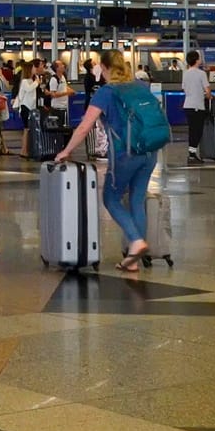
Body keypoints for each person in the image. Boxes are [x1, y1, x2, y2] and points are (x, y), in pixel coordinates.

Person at [55, 50, 160, 272]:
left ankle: (136, 240)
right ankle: (133, 259)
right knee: (137, 199)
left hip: (125, 154)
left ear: (103, 69)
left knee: (111, 198)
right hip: (150, 152)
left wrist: (66, 150)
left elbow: (85, 126)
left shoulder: (106, 92)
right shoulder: (141, 86)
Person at [181, 51, 210, 165]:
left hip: (187, 105)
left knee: (192, 130)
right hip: (197, 106)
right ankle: (192, 155)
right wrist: (208, 96)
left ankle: (192, 154)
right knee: (197, 131)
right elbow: (207, 91)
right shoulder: (201, 73)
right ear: (197, 60)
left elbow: (184, 88)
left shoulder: (185, 73)